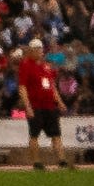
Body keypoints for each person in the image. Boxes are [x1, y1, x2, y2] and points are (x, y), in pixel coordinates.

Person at [11, 41, 64, 170]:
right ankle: (36, 161)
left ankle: (62, 160)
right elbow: (22, 87)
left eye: (41, 49)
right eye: (38, 49)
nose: (41, 52)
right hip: (35, 105)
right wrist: (27, 106)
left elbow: (52, 86)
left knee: (56, 134)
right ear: (32, 51)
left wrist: (59, 101)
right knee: (34, 134)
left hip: (49, 105)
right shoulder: (26, 65)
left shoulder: (46, 66)